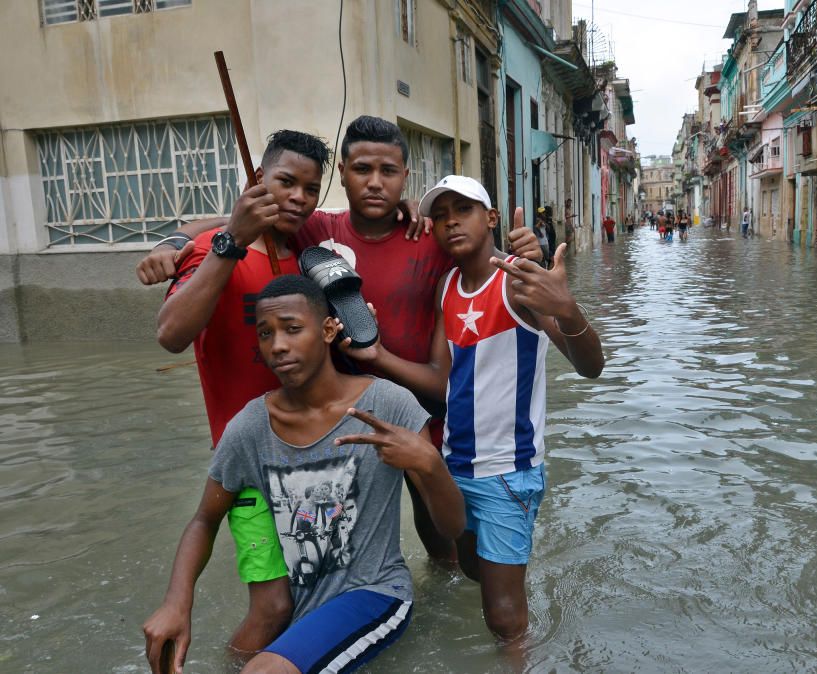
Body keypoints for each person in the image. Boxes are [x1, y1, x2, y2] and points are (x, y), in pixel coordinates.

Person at [136, 115, 542, 564]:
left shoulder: (428, 234)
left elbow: (482, 260)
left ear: (405, 178)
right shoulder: (315, 229)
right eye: (362, 170)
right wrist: (170, 239)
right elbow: (243, 218)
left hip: (422, 408)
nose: (374, 183)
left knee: (451, 545)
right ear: (344, 174)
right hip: (336, 417)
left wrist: (528, 258)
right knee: (334, 547)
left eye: (388, 172)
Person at [142, 274, 465, 674]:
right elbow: (204, 520)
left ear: (329, 329)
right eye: (265, 333)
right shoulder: (250, 428)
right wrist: (177, 603)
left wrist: (429, 464)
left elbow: (453, 526)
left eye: (293, 329)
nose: (278, 345)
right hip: (301, 607)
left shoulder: (388, 404)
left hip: (375, 593)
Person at [344, 175, 604, 641]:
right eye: (440, 216)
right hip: (455, 465)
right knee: (471, 572)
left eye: (462, 210)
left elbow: (591, 367)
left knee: (504, 619)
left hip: (509, 469)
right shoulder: (447, 286)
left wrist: (567, 309)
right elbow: (443, 384)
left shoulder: (519, 281)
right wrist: (378, 357)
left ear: (491, 218)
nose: (450, 223)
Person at [155, 129, 331, 656]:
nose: (298, 197)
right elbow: (170, 335)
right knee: (273, 605)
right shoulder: (212, 250)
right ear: (258, 181)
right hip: (246, 463)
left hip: (315, 456)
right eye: (285, 182)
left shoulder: (309, 255)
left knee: (317, 594)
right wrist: (228, 240)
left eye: (310, 188)